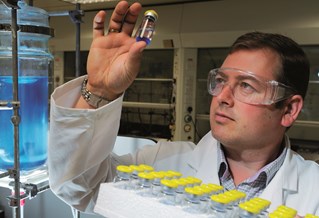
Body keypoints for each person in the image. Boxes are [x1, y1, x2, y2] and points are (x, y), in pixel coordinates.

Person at [48, 0, 319, 216]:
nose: (222, 96)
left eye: (247, 85)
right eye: (221, 81)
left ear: (289, 110)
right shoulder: (156, 165)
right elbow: (79, 188)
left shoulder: (313, 191)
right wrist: (100, 90)